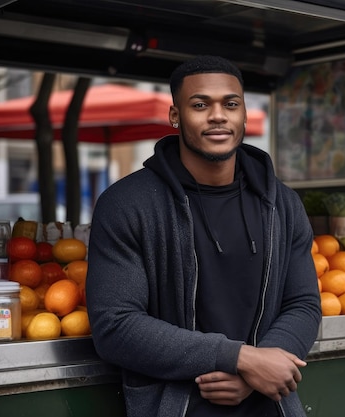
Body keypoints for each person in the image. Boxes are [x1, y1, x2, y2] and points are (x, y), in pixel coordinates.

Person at [86, 55, 322, 417]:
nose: (217, 115)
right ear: (175, 116)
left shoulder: (284, 205)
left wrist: (258, 372)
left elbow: (303, 304)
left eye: (231, 104)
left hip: (270, 408)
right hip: (176, 407)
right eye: (200, 105)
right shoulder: (126, 204)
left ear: (244, 114)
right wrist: (240, 358)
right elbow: (116, 325)